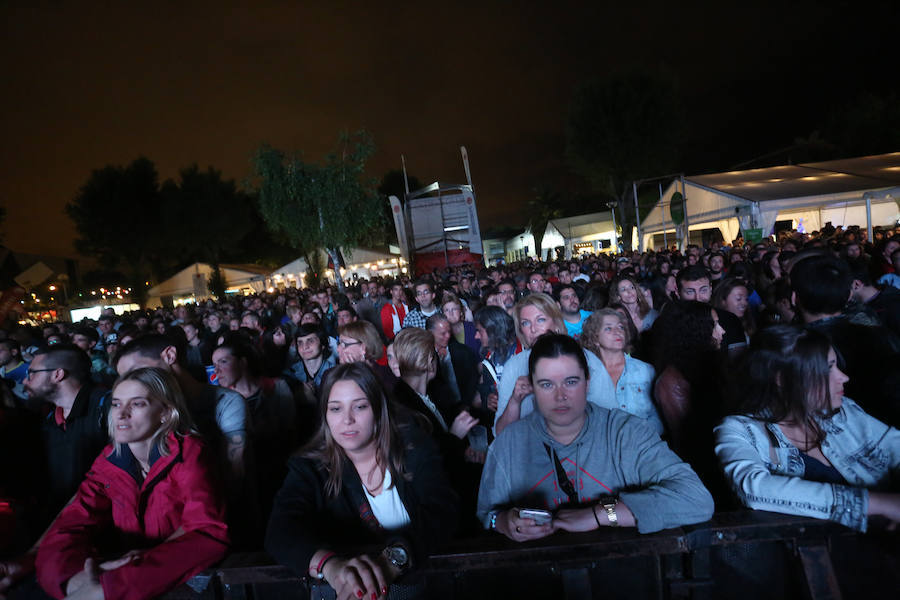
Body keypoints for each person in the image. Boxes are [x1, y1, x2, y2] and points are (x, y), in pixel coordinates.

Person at [477, 334, 713, 539]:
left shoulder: (625, 432)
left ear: (587, 383)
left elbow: (696, 499)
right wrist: (504, 522)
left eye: (571, 382)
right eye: (547, 385)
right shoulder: (508, 444)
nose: (561, 396)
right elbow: (487, 517)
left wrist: (600, 513)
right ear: (533, 388)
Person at [265, 363, 459, 600]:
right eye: (335, 409)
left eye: (359, 406)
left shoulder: (413, 447)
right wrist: (331, 567)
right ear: (325, 415)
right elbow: (280, 531)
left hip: (418, 586)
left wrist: (393, 559)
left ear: (379, 409)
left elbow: (443, 510)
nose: (347, 420)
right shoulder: (309, 467)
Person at [35, 367, 229, 600]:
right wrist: (70, 580)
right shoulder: (109, 460)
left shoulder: (190, 452)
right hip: (130, 582)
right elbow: (70, 524)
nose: (121, 414)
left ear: (166, 413)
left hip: (183, 585)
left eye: (137, 404)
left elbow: (208, 532)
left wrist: (111, 586)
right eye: (116, 404)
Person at [715, 326, 900, 532]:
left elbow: (896, 446)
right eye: (828, 369)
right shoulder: (739, 429)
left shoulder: (843, 411)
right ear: (782, 379)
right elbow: (752, 488)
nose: (843, 377)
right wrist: (878, 504)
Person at [650, 301, 727, 495]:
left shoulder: (713, 368)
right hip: (705, 476)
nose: (722, 331)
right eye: (714, 325)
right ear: (697, 330)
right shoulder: (672, 380)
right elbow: (689, 442)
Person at [580, 309, 663, 434]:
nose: (617, 332)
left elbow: (658, 417)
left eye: (621, 327)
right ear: (595, 338)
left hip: (642, 445)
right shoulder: (585, 374)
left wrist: (639, 437)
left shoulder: (645, 371)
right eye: (608, 328)